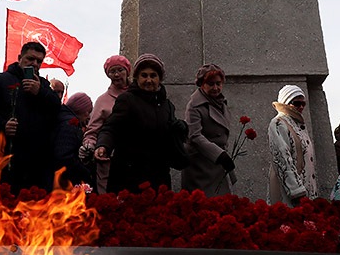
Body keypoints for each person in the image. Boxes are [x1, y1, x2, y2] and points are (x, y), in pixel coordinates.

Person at [0, 42, 61, 193]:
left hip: (36, 163)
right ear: (20, 58)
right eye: (31, 59)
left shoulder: (44, 86)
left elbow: (56, 109)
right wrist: (2, 125)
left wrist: (40, 92)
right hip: (4, 160)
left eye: (39, 61)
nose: (35, 64)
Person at [95, 54, 183, 194]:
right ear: (137, 78)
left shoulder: (167, 106)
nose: (149, 80)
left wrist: (181, 128)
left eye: (153, 75)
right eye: (144, 75)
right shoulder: (127, 100)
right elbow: (111, 127)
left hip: (158, 175)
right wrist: (103, 145)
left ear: (160, 79)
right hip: (130, 176)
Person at [181, 64, 236, 196]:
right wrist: (219, 154)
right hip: (201, 167)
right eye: (211, 84)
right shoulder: (194, 105)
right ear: (202, 84)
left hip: (218, 165)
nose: (216, 88)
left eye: (219, 83)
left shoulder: (220, 102)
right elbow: (194, 136)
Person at [81, 55, 131, 193]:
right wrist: (89, 146)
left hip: (136, 162)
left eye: (120, 70)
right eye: (112, 71)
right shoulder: (102, 101)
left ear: (128, 71)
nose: (116, 74)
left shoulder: (138, 95)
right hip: (110, 162)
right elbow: (92, 132)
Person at [267, 84, 319, 206]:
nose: (301, 107)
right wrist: (296, 192)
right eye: (296, 103)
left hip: (304, 191)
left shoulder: (298, 125)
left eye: (303, 104)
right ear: (286, 102)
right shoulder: (278, 123)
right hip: (289, 192)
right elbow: (283, 158)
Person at [54, 92, 94, 188]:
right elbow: (65, 156)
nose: (88, 116)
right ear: (80, 109)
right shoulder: (70, 124)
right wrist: (85, 171)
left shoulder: (62, 118)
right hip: (65, 182)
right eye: (88, 111)